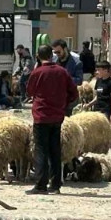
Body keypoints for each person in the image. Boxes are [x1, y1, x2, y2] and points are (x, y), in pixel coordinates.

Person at [25, 44, 77, 195]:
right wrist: (64, 104)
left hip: (41, 116)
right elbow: (74, 93)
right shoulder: (63, 72)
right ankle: (55, 184)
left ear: (38, 56)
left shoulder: (37, 72)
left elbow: (29, 91)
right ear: (51, 55)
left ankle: (41, 184)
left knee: (41, 150)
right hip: (57, 116)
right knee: (55, 150)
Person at [91, 61, 111, 159]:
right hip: (97, 110)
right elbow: (97, 97)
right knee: (96, 132)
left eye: (99, 70)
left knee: (105, 133)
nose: (97, 72)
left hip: (106, 110)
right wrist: (89, 104)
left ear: (106, 70)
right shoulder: (98, 81)